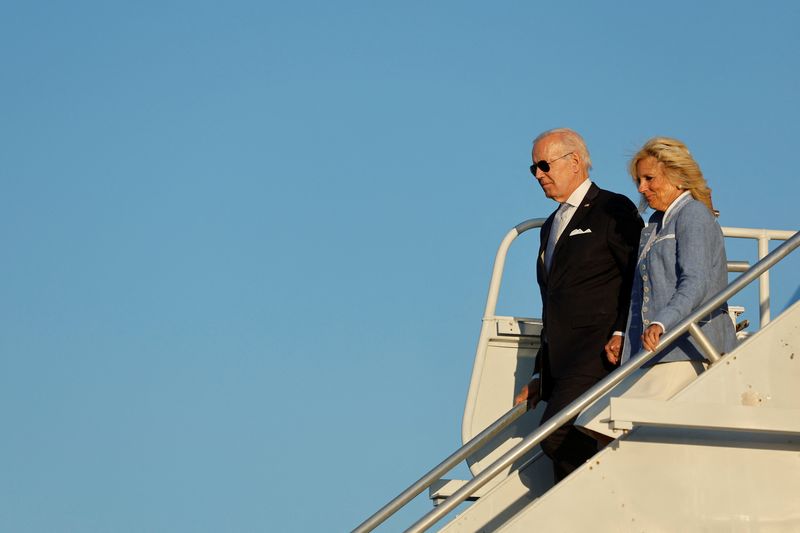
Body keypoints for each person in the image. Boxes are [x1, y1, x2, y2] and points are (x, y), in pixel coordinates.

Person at [576, 137, 738, 441]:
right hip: (652, 352)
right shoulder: (654, 225)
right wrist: (624, 336)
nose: (641, 188)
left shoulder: (694, 215)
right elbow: (641, 290)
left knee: (606, 420)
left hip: (687, 348)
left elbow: (697, 280)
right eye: (639, 180)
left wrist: (663, 321)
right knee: (596, 419)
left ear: (677, 177)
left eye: (649, 178)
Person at [513, 128, 643, 482]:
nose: (539, 175)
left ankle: (609, 490)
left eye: (543, 165)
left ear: (574, 162)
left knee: (556, 434)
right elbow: (552, 301)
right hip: (560, 362)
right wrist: (541, 370)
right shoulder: (551, 225)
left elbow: (636, 273)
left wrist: (621, 329)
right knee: (559, 458)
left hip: (597, 352)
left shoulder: (612, 208)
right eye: (533, 169)